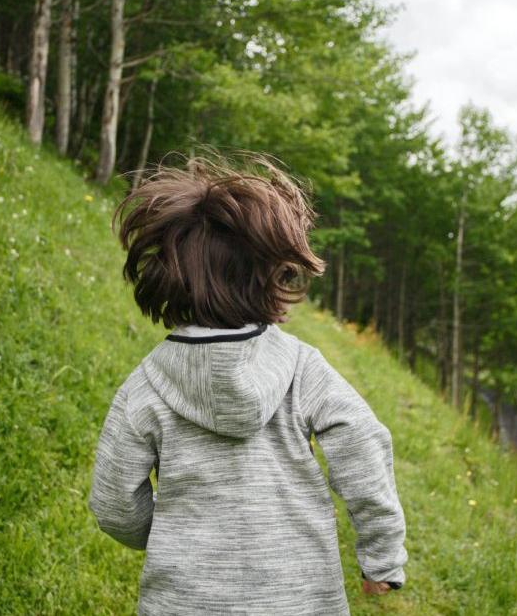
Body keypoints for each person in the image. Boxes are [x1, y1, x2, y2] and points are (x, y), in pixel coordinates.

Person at [89, 154, 407, 615]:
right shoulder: (301, 367)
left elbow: (113, 502)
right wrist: (382, 554)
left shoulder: (147, 385)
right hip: (299, 600)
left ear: (168, 275)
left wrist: (166, 534)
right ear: (272, 275)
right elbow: (362, 445)